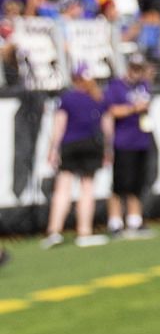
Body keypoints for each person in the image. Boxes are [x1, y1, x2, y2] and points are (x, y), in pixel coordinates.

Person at [43, 65, 109, 248]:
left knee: (63, 188)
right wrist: (108, 149)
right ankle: (84, 232)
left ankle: (54, 231)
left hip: (70, 145)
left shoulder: (67, 99)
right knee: (87, 189)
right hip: (91, 145)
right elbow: (106, 126)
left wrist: (53, 149)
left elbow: (59, 125)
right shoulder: (97, 98)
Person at [103, 56, 156, 237]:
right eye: (134, 68)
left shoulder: (143, 86)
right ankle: (115, 222)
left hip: (141, 140)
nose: (137, 72)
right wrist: (134, 108)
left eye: (140, 69)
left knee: (137, 183)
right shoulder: (117, 86)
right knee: (119, 184)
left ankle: (135, 220)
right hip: (123, 141)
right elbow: (111, 110)